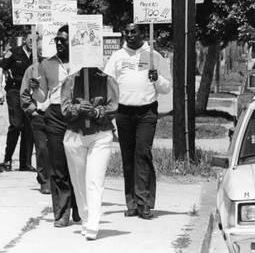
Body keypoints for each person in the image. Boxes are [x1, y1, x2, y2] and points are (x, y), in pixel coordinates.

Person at [104, 23, 172, 219]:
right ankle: (131, 203)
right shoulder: (117, 57)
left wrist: (156, 79)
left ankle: (144, 203)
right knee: (127, 157)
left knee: (142, 154)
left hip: (146, 112)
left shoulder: (154, 56)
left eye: (134, 31)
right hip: (124, 112)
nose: (129, 35)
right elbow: (108, 83)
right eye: (126, 31)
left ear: (142, 33)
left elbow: (166, 87)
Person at [61, 67, 119, 240]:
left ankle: (93, 222)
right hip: (75, 135)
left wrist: (96, 111)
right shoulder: (70, 81)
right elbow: (64, 109)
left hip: (100, 135)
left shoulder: (108, 81)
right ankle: (85, 218)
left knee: (94, 180)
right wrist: (77, 108)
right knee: (78, 181)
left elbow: (112, 107)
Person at [30, 25, 80, 227]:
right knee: (58, 164)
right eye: (57, 40)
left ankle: (79, 207)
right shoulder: (47, 64)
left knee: (78, 163)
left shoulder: (82, 62)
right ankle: (61, 212)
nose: (59, 43)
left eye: (64, 40)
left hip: (77, 114)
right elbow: (43, 96)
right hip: (55, 115)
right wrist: (35, 90)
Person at [0, 31, 35, 172]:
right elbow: (2, 69)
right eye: (31, 39)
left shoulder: (36, 57)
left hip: (29, 94)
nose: (33, 42)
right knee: (16, 125)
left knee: (28, 127)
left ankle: (25, 163)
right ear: (25, 40)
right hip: (14, 91)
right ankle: (7, 160)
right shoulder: (13, 52)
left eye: (36, 40)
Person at [20, 42, 51, 194]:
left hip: (56, 115)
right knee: (42, 149)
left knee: (56, 149)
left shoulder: (59, 69)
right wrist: (32, 111)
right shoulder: (32, 70)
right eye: (41, 53)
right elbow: (24, 94)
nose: (44, 56)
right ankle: (44, 180)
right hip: (38, 115)